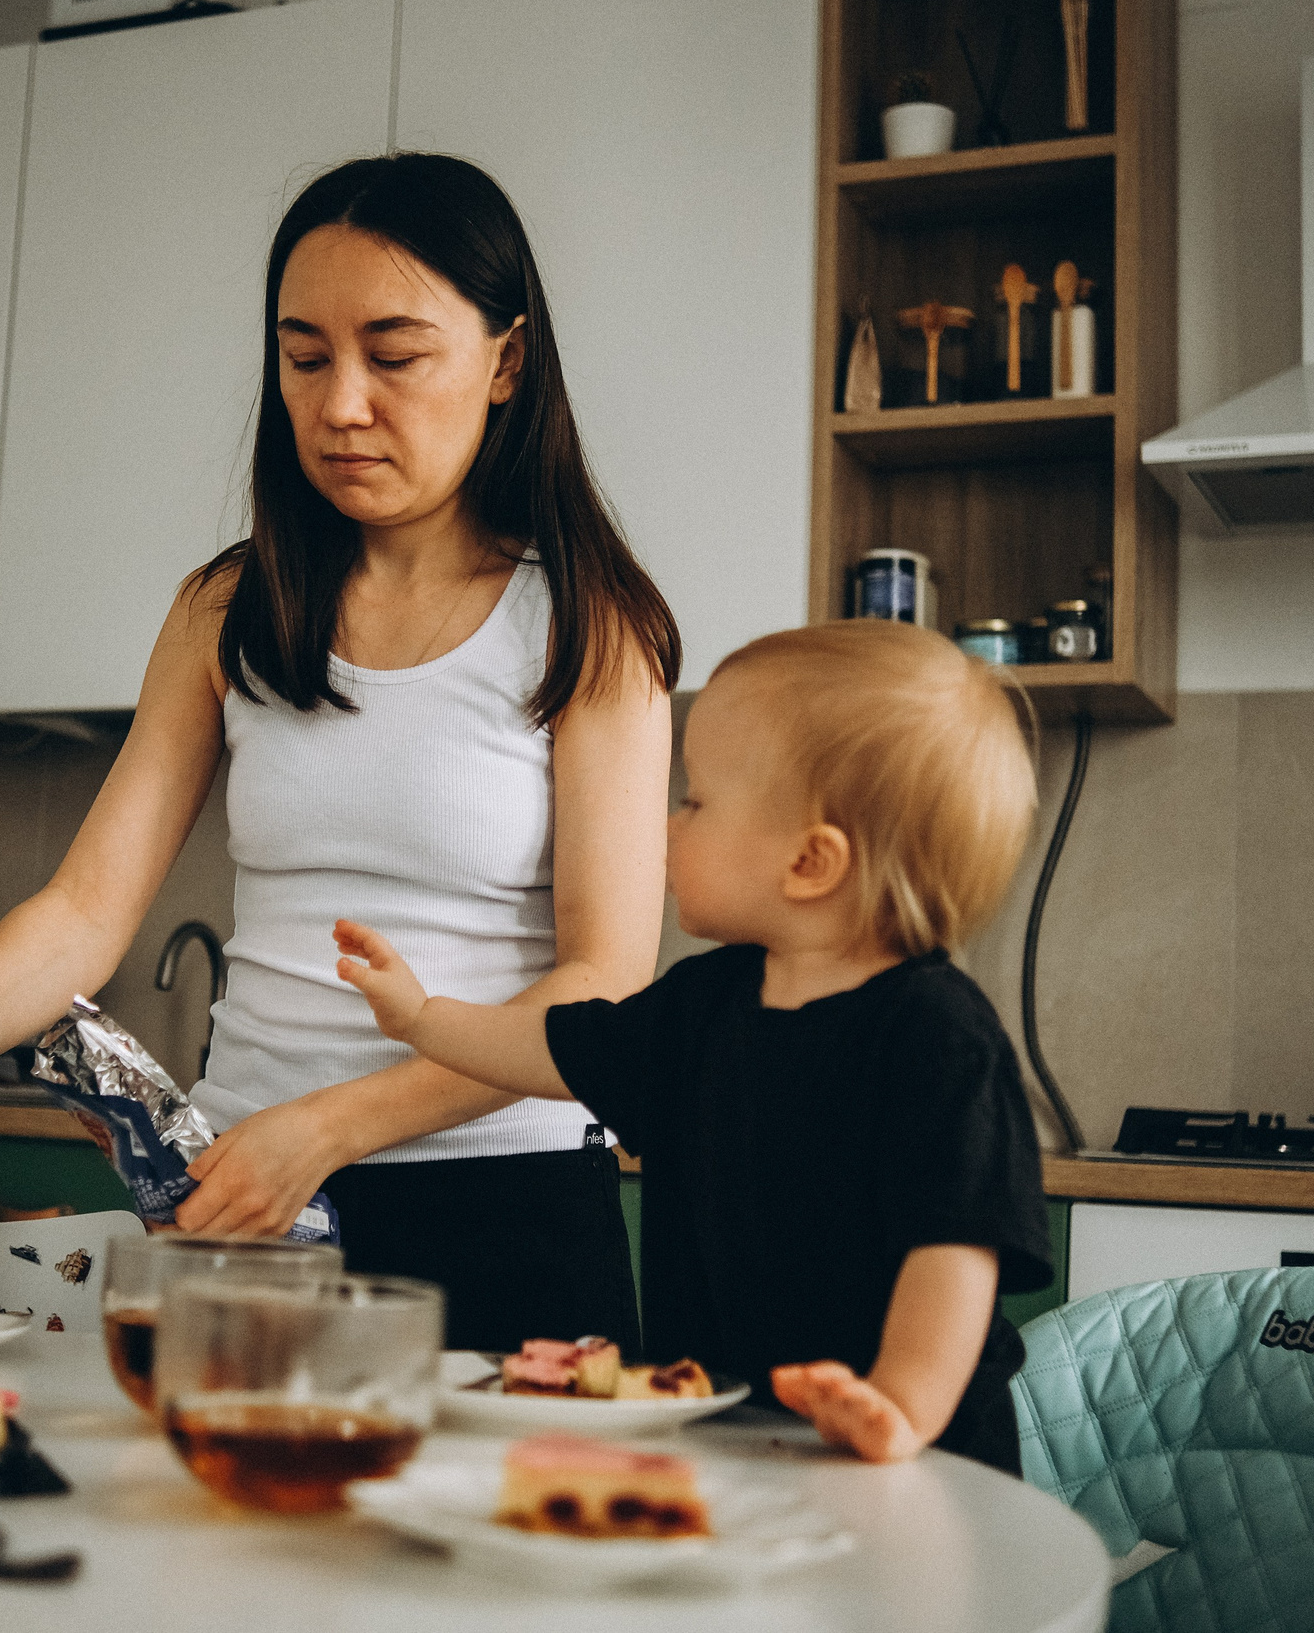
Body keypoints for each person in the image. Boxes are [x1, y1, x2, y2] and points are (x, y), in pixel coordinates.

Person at [0, 154, 680, 1352]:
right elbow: (83, 908)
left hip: (505, 1206)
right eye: (305, 357)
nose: (339, 406)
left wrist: (328, 1128)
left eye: (395, 354)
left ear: (506, 361)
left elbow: (603, 989)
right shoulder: (231, 609)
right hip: (239, 1203)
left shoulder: (591, 624)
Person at [333, 621, 1055, 1470]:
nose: (669, 826)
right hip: (740, 1442)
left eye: (698, 801)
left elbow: (955, 1251)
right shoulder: (704, 1003)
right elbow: (550, 1051)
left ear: (811, 862)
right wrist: (424, 1016)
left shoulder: (939, 1041)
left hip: (922, 1462)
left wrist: (898, 1404)